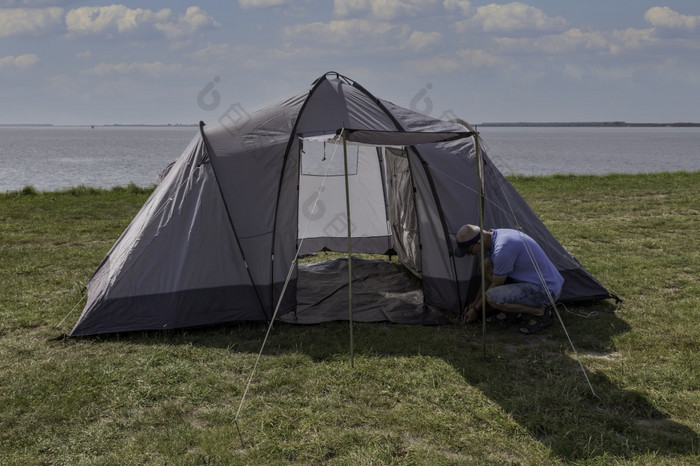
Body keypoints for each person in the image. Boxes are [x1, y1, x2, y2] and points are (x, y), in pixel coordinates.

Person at [455, 224, 564, 334]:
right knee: (486, 265)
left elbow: (494, 286)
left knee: (492, 298)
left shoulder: (502, 249)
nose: (469, 254)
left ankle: (541, 313)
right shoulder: (494, 237)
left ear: (478, 242)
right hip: (528, 282)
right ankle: (513, 312)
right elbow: (487, 280)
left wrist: (476, 310)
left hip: (546, 290)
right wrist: (474, 303)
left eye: (469, 250)